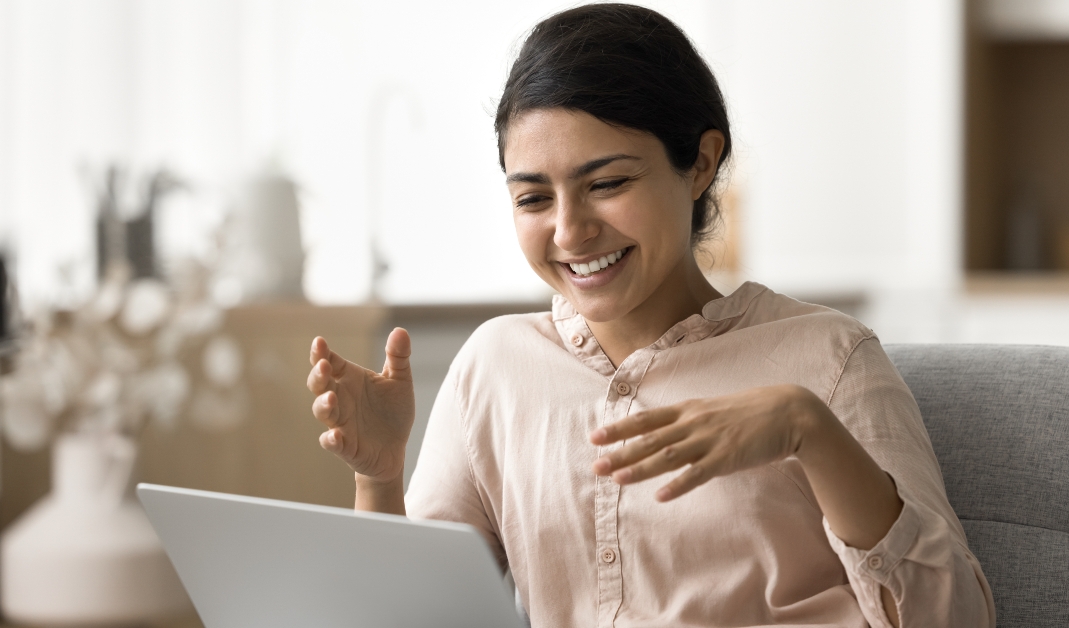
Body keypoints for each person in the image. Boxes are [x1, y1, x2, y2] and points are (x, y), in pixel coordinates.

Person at [306, 4, 994, 627]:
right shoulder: (494, 367)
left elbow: (955, 618)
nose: (570, 232)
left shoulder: (830, 356)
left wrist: (807, 428)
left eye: (607, 183)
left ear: (701, 163)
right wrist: (380, 477)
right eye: (534, 199)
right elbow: (417, 617)